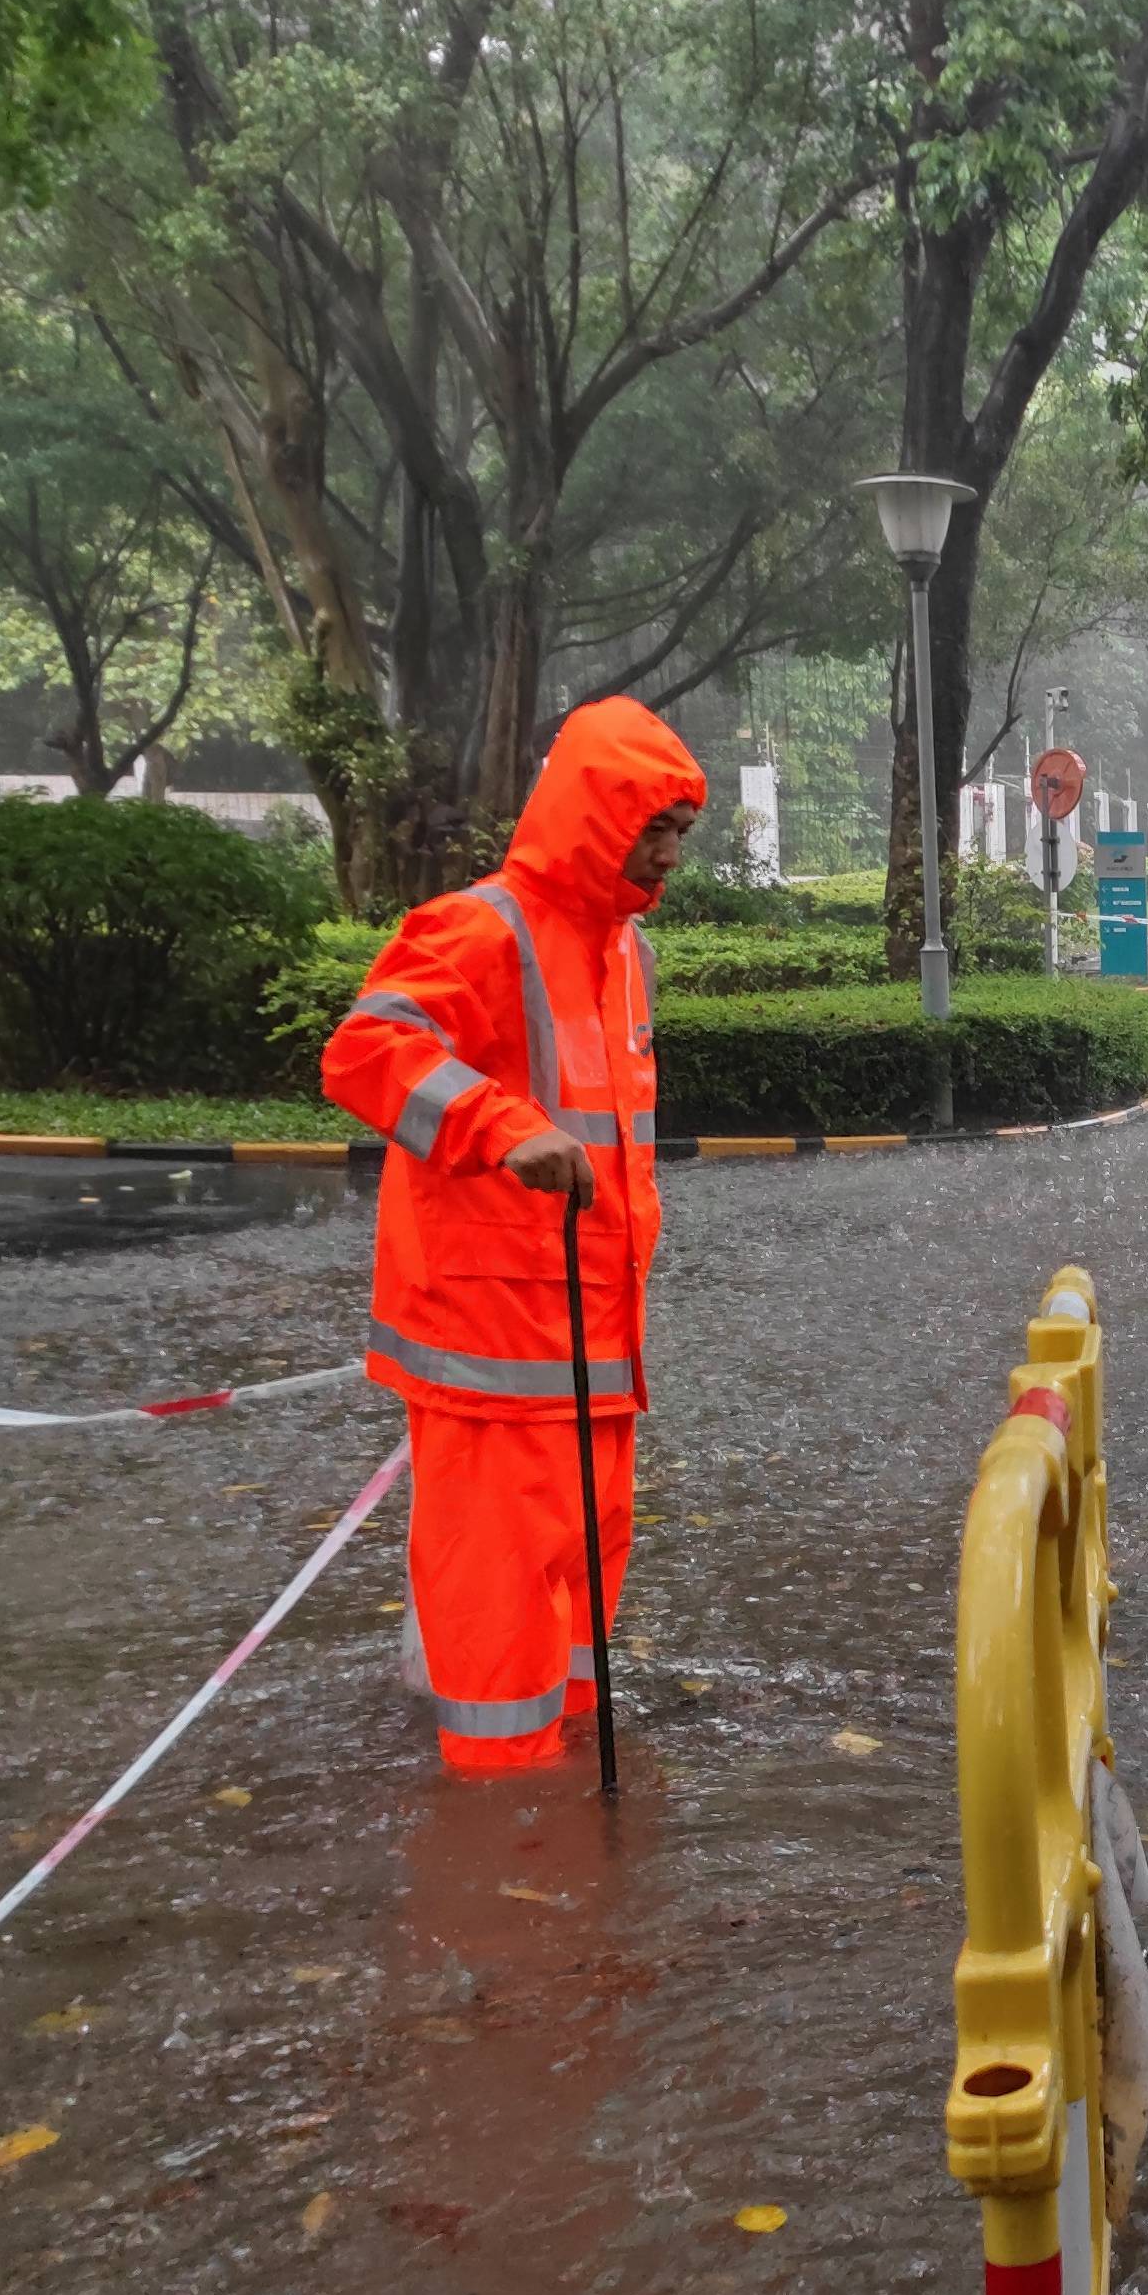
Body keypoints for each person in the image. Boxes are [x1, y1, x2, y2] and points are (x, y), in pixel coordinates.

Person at [323, 700, 705, 1772]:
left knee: (582, 1611)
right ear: (593, 815)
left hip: (595, 1352)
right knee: (495, 1622)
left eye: (679, 833)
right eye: (652, 829)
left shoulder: (627, 953)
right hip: (491, 1354)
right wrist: (499, 1129)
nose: (667, 853)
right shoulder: (480, 929)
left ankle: (562, 1800)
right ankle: (496, 1839)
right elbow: (365, 1054)